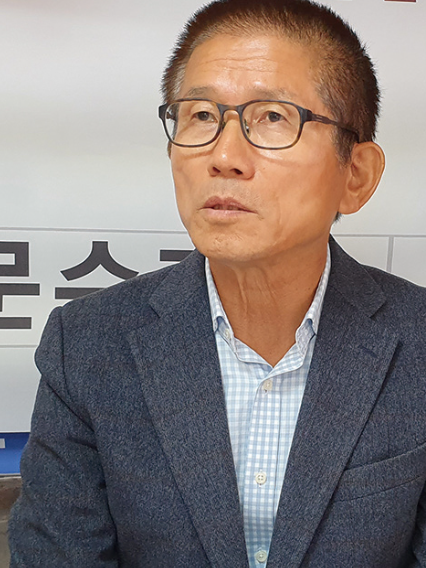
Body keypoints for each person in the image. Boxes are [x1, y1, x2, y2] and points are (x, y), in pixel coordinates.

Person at [8, 0, 426, 566]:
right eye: (201, 115)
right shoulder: (86, 344)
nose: (224, 156)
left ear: (356, 174)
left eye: (273, 117)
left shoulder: (417, 340)